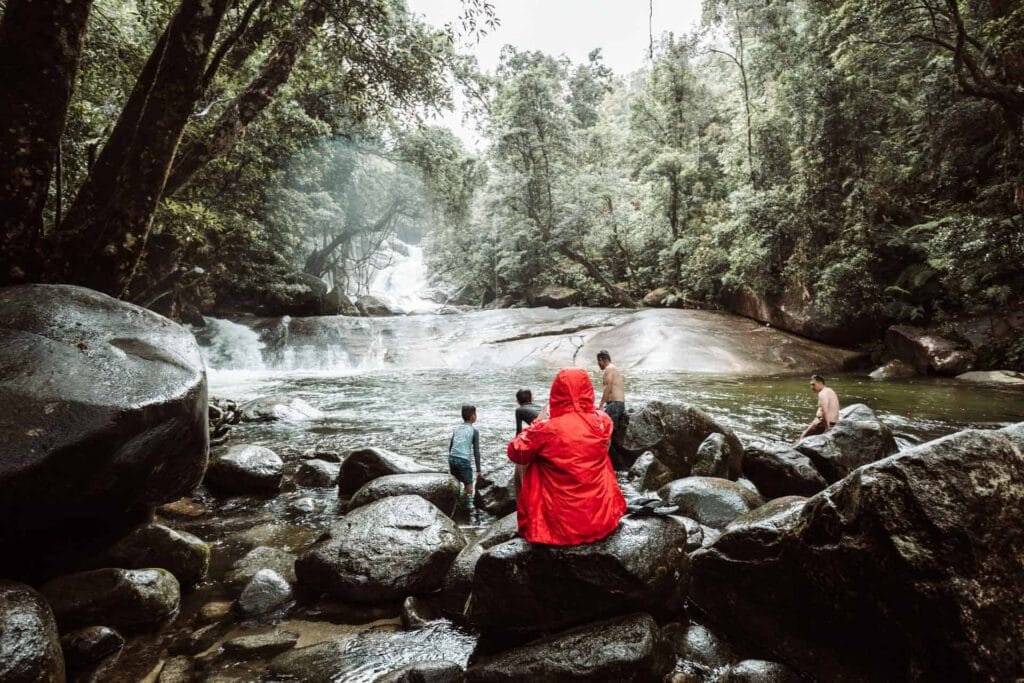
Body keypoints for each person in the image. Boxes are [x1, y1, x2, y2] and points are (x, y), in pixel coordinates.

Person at [506, 367, 627, 545]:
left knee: (524, 462)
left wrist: (539, 421)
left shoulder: (547, 429)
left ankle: (524, 522)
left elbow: (515, 452)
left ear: (556, 393)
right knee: (599, 453)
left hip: (560, 527)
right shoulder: (603, 421)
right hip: (602, 521)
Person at [449, 404, 482, 496]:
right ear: (472, 417)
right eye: (475, 414)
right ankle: (468, 503)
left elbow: (451, 446)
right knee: (469, 487)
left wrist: (452, 458)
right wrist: (478, 470)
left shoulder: (457, 428)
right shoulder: (474, 431)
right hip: (463, 461)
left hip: (452, 458)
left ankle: (457, 500)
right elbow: (476, 451)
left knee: (456, 484)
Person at [799, 374, 841, 439]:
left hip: (823, 423)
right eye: (811, 385)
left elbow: (824, 411)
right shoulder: (829, 390)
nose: (811, 387)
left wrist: (827, 427)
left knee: (802, 437)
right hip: (832, 422)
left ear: (820, 383)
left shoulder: (822, 394)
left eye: (813, 384)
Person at [597, 350, 625, 442]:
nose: (598, 364)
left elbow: (607, 388)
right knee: (612, 432)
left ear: (601, 360)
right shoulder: (615, 369)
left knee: (605, 431)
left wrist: (601, 405)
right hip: (619, 404)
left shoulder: (609, 369)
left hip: (614, 404)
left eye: (598, 362)